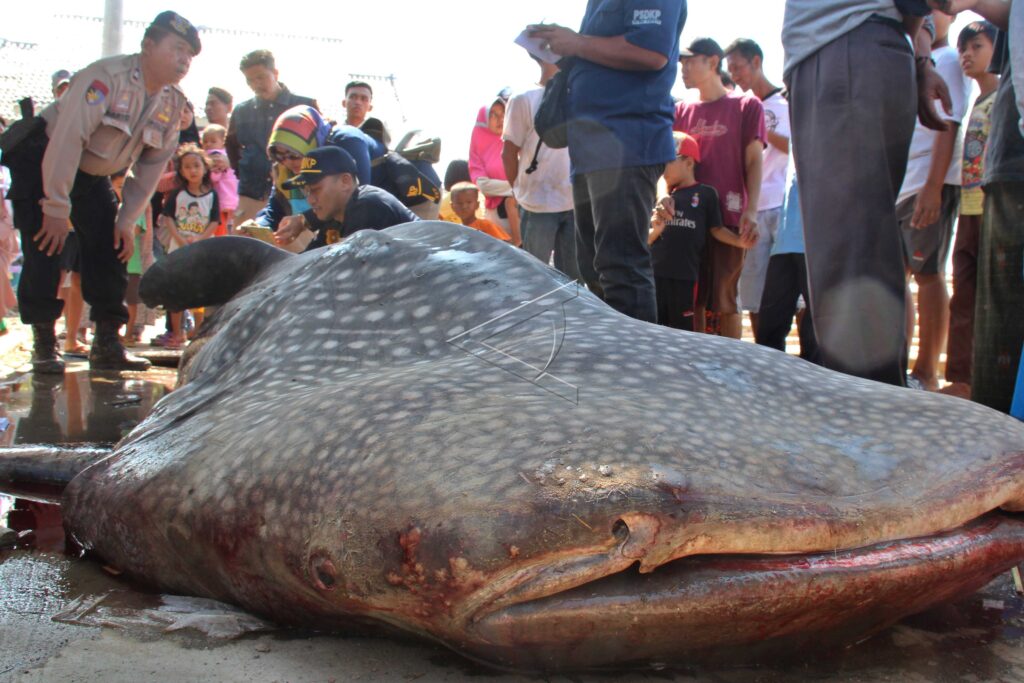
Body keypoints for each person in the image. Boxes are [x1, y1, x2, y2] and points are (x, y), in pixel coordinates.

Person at [0, 10, 201, 374]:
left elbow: (150, 169)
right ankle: (45, 343)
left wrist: (126, 219)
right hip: (45, 158)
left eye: (190, 53)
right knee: (46, 245)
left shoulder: (173, 104)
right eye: (177, 48)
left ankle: (107, 341)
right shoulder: (105, 78)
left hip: (93, 176)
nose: (184, 59)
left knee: (112, 246)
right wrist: (56, 207)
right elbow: (66, 141)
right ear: (148, 45)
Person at [783, 0, 953, 386]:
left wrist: (918, 58)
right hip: (861, 47)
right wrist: (920, 59)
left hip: (844, 46)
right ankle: (873, 408)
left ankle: (865, 425)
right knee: (860, 248)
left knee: (848, 254)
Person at [527, 1, 688, 324]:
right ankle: (616, 365)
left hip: (626, 144)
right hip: (592, 150)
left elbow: (650, 51)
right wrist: (568, 49)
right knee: (594, 267)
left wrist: (576, 43)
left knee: (620, 266)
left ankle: (637, 369)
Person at [929, 0, 1023, 413]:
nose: (967, 55)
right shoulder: (983, 105)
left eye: (978, 46)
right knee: (977, 300)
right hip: (985, 193)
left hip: (1002, 185)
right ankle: (974, 392)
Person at [896, 12, 971, 391]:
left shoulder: (950, 60)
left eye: (934, 8)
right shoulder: (909, 60)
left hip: (928, 182)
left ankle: (927, 370)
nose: (927, 15)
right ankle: (903, 365)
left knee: (928, 274)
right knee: (899, 278)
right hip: (902, 185)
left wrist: (933, 187)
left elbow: (950, 121)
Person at [674, 37, 764, 338]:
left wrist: (751, 210)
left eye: (690, 61)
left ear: (712, 62)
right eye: (681, 62)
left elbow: (754, 160)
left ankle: (732, 370)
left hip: (729, 215)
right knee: (693, 297)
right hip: (688, 220)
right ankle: (699, 369)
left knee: (725, 297)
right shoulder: (681, 111)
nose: (683, 68)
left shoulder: (746, 105)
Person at [942, 19, 999, 399]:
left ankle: (993, 381)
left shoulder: (1007, 97)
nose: (967, 54)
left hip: (999, 206)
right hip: (970, 205)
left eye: (976, 46)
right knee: (963, 290)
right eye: (964, 47)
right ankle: (962, 379)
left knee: (998, 293)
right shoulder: (976, 102)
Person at [724, 38, 790, 337]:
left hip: (784, 207)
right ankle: (765, 353)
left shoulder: (786, 102)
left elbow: (795, 147)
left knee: (794, 293)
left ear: (757, 62)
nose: (735, 76)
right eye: (730, 70)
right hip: (751, 210)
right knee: (753, 293)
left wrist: (761, 126)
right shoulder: (740, 109)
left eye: (738, 68)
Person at [501, 54, 580, 280]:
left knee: (574, 283)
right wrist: (518, 192)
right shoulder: (522, 99)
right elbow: (508, 153)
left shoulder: (579, 95)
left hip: (574, 202)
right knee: (535, 280)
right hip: (536, 204)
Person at [226, 49, 318, 225]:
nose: (256, 84)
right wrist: (248, 169)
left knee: (301, 249)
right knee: (247, 247)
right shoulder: (241, 111)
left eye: (261, 77)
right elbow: (232, 147)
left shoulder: (305, 106)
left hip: (298, 195)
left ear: (275, 73)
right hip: (252, 194)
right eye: (250, 80)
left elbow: (319, 148)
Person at [275, 146, 418, 251]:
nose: (310, 200)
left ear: (345, 182)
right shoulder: (336, 214)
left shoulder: (368, 206)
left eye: (315, 190)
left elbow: (347, 269)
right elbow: (309, 261)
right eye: (306, 191)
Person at [649, 133, 724, 332]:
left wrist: (741, 242)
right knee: (654, 326)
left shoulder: (706, 194)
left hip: (686, 276)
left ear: (689, 162)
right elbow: (646, 237)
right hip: (655, 273)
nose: (663, 168)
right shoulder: (660, 198)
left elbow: (716, 230)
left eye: (669, 161)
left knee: (682, 330)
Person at [754, 160, 819, 363]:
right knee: (769, 324)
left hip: (819, 241)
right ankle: (767, 378)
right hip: (784, 241)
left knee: (817, 326)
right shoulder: (796, 132)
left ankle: (817, 378)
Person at [157, 144, 219, 348]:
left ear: (205, 167)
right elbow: (168, 218)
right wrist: (180, 239)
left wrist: (200, 239)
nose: (192, 170)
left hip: (202, 250)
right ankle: (177, 333)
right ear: (181, 171)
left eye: (196, 165)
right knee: (177, 291)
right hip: (179, 248)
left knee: (200, 291)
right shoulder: (178, 194)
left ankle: (198, 331)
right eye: (187, 167)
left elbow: (214, 221)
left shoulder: (212, 195)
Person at [469, 92, 521, 245]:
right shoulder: (478, 149)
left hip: (523, 211)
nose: (500, 119)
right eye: (493, 115)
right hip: (498, 218)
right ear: (484, 120)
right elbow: (484, 186)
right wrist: (517, 189)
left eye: (503, 114)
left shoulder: (514, 142)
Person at [201, 123, 239, 236]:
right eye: (205, 141)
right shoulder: (228, 154)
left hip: (221, 195)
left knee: (219, 228)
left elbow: (214, 177)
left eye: (213, 141)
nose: (208, 144)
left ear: (223, 141)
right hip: (232, 195)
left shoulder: (213, 155)